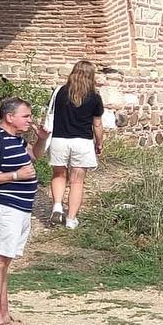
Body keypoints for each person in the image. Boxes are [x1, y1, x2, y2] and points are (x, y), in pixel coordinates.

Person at [0, 96, 47, 325]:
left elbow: (34, 156)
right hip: (5, 208)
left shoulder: (15, 139)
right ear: (9, 117)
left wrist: (41, 139)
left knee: (5, 261)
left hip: (20, 208)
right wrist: (16, 176)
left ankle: (4, 315)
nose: (30, 120)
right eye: (25, 116)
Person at [46, 59, 104, 229]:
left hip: (59, 139)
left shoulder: (60, 92)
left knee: (58, 175)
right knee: (77, 181)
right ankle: (71, 219)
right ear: (91, 76)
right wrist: (99, 143)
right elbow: (97, 124)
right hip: (82, 142)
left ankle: (57, 206)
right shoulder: (94, 97)